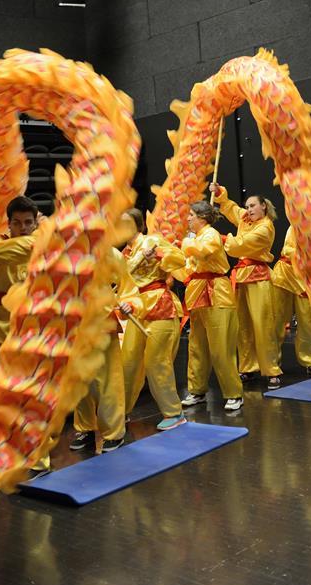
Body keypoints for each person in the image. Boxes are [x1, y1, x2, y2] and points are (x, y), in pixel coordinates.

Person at [119, 209, 187, 431]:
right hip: (137, 307)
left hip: (160, 304)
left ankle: (174, 412)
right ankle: (122, 412)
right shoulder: (124, 254)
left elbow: (180, 258)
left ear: (138, 225)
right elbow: (121, 283)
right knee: (128, 362)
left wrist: (158, 255)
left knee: (156, 362)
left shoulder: (152, 241)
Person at [210, 183, 283, 389]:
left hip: (259, 276)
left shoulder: (265, 227)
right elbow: (231, 208)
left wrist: (220, 238)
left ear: (264, 207)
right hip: (242, 277)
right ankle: (248, 367)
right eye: (247, 206)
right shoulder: (246, 219)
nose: (248, 209)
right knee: (243, 326)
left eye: (252, 206)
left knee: (263, 325)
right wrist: (220, 193)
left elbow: (240, 245)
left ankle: (271, 370)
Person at [69, 248, 142, 452]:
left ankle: (113, 433)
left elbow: (129, 288)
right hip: (74, 321)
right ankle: (85, 428)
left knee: (108, 379)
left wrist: (129, 304)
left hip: (101, 320)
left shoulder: (111, 254)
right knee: (79, 379)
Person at [176, 201, 244, 411]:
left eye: (191, 215)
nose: (187, 219)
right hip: (197, 291)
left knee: (220, 346)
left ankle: (234, 393)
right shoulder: (194, 238)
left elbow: (202, 252)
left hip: (217, 292)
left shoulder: (211, 234)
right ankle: (197, 390)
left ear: (201, 218)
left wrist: (184, 245)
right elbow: (186, 266)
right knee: (197, 345)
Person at [0, 196, 38, 377]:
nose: (23, 228)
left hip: (32, 322)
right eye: (17, 223)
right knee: (1, 377)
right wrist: (44, 238)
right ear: (9, 224)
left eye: (28, 222)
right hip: (1, 323)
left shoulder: (42, 248)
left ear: (35, 224)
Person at [271, 226, 311, 377]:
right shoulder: (294, 227)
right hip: (285, 275)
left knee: (307, 322)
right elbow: (288, 249)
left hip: (306, 279)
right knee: (277, 321)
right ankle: (272, 363)